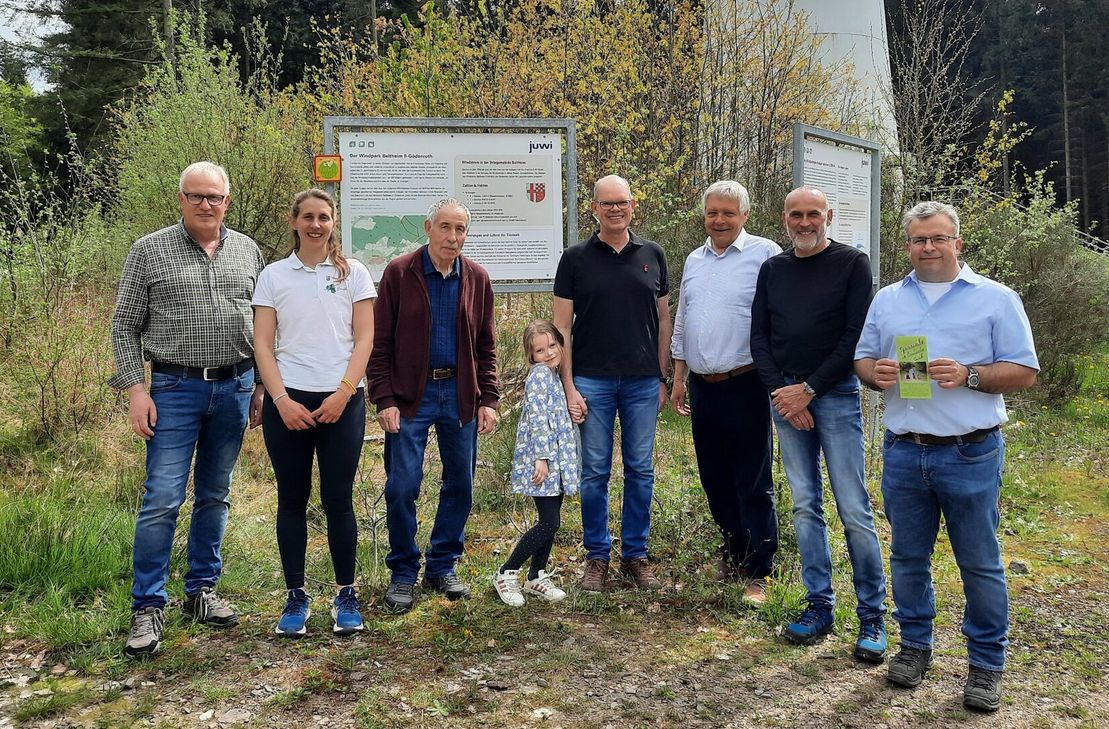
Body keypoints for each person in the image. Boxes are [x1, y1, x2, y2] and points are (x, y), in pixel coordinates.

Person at [855, 201, 1038, 712]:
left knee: (979, 564)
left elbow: (1024, 371)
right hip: (904, 450)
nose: (928, 247)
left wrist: (971, 375)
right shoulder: (888, 299)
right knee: (908, 557)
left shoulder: (997, 299)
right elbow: (863, 359)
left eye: (938, 238)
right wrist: (875, 375)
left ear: (957, 243)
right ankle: (915, 647)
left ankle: (985, 666)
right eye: (919, 240)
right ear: (908, 245)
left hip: (970, 452)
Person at [110, 161, 265, 658]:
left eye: (214, 197)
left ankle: (201, 590)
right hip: (173, 389)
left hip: (235, 386)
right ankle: (147, 606)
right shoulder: (149, 250)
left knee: (216, 494)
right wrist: (136, 389)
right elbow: (123, 326)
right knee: (162, 498)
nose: (205, 204)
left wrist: (261, 385)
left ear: (227, 202)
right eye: (196, 196)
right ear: (180, 199)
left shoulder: (248, 251)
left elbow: (264, 325)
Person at [750, 185, 887, 662]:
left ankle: (872, 614)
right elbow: (759, 337)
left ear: (828, 216)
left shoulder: (852, 264)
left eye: (813, 214)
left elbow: (856, 335)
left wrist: (810, 390)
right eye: (795, 215)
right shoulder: (773, 269)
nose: (804, 223)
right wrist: (783, 395)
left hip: (834, 396)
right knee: (806, 504)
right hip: (784, 397)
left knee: (853, 507)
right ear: (784, 218)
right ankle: (819, 605)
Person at [253, 189, 376, 637]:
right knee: (293, 498)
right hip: (289, 403)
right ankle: (295, 597)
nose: (316, 225)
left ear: (333, 222)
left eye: (324, 217)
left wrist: (344, 393)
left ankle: (346, 594)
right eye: (308, 217)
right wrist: (281, 401)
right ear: (294, 221)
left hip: (341, 401)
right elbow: (263, 343)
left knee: (338, 500)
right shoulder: (273, 276)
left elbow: (364, 339)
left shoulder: (354, 273)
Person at [368, 198, 500, 613]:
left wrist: (489, 398)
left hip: (459, 395)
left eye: (460, 229)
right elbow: (380, 341)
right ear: (428, 228)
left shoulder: (476, 278)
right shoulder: (399, 273)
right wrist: (384, 397)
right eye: (445, 227)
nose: (453, 237)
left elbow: (486, 345)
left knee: (460, 482)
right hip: (411, 395)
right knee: (402, 485)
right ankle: (404, 571)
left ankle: (443, 565)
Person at [553, 174, 671, 592]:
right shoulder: (575, 258)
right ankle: (597, 557)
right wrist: (568, 386)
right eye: (607, 204)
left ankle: (636, 556)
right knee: (595, 472)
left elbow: (663, 321)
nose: (615, 209)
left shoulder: (653, 254)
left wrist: (662, 377)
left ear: (633, 205)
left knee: (640, 470)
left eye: (622, 202)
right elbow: (560, 328)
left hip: (642, 382)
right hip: (591, 380)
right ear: (594, 208)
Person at [669, 181, 780, 604]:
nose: (719, 220)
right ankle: (734, 552)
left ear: (745, 215)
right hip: (702, 386)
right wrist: (678, 376)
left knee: (752, 479)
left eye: (728, 213)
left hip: (747, 382)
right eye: (713, 212)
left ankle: (760, 570)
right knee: (714, 478)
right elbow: (683, 319)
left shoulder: (764, 254)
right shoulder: (694, 259)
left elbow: (775, 319)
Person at [492, 320, 580, 607]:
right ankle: (507, 572)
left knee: (551, 523)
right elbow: (539, 421)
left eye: (553, 345)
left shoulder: (554, 377)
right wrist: (541, 459)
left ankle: (536, 575)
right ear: (532, 356)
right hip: (545, 461)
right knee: (549, 522)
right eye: (540, 350)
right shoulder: (540, 375)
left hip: (558, 460)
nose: (549, 353)